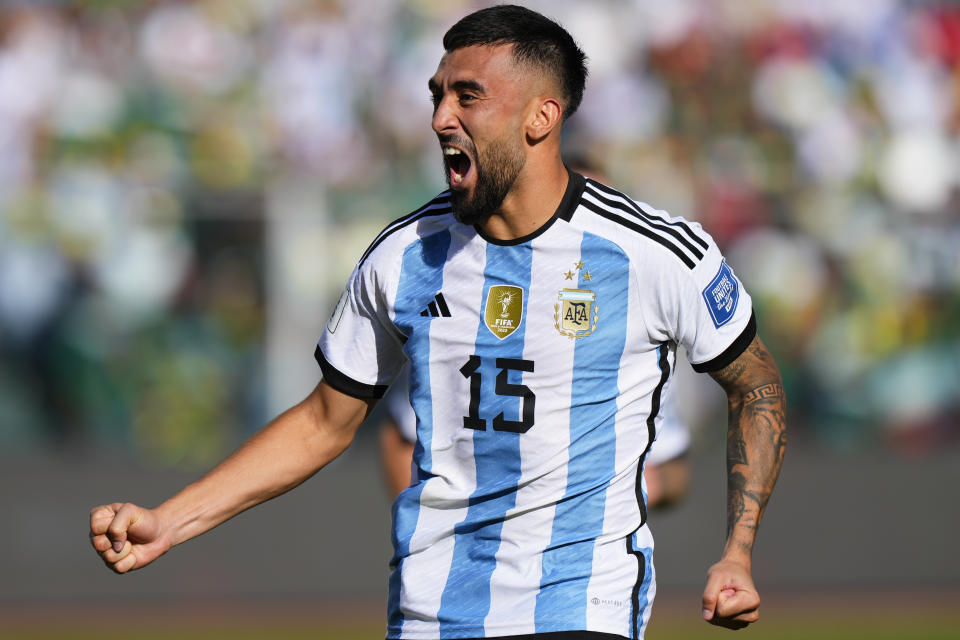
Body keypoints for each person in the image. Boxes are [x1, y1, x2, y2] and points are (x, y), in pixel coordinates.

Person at [90, 6, 786, 639]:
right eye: (437, 94)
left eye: (467, 96)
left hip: (580, 607)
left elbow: (755, 385)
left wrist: (739, 549)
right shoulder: (403, 256)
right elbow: (324, 421)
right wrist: (168, 522)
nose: (440, 118)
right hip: (430, 613)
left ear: (540, 118)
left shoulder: (653, 254)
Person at [380, 368, 690, 508]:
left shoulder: (631, 335)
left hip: (582, 572)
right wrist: (425, 530)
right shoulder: (463, 312)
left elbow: (673, 472)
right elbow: (400, 438)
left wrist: (618, 488)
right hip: (466, 561)